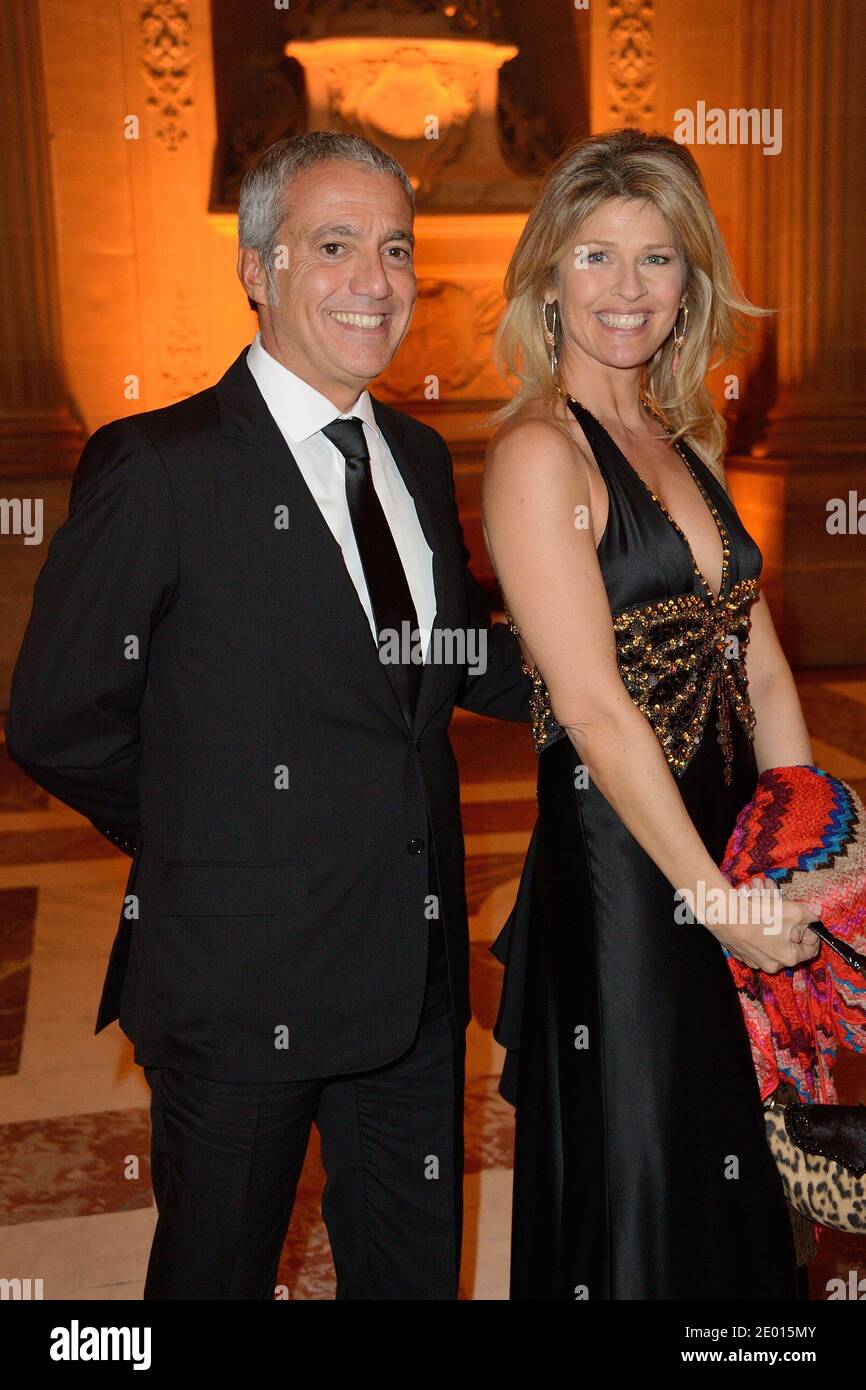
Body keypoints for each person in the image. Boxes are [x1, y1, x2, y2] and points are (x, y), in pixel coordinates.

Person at [6, 131, 530, 1300]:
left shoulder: (416, 454)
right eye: (333, 245)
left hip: (413, 964)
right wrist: (211, 845)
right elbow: (55, 716)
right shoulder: (158, 466)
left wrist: (627, 683)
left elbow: (427, 659)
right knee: (216, 1274)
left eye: (393, 248)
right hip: (239, 976)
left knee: (409, 1270)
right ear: (257, 268)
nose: (375, 280)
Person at [482, 128, 820, 1300]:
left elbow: (762, 668)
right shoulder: (537, 454)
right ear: (546, 281)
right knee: (650, 1154)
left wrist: (804, 851)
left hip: (728, 846)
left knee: (741, 1147)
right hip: (628, 866)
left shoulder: (685, 441)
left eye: (656, 259)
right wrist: (713, 896)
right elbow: (588, 704)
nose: (625, 290)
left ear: (690, 284)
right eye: (593, 257)